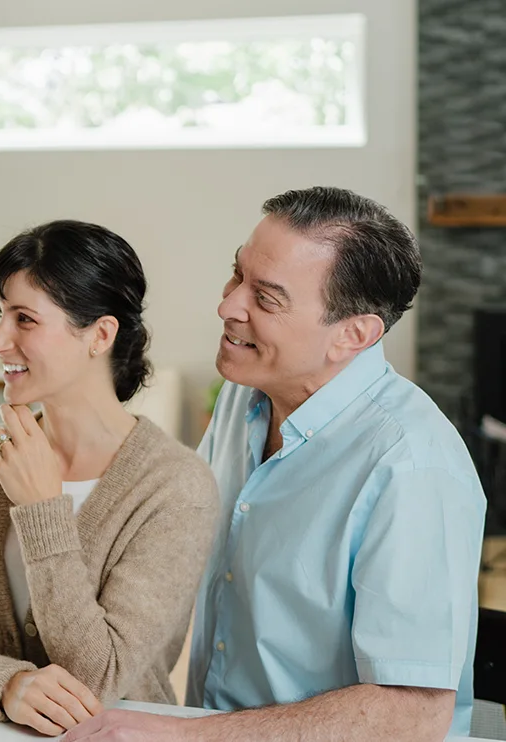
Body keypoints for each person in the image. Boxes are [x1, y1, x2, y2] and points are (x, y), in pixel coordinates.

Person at [64, 187, 486, 742]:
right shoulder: (246, 394)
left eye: (265, 298)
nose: (227, 306)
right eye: (235, 275)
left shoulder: (413, 468)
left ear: (354, 334)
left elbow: (412, 715)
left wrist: (179, 736)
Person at [0, 220, 221, 737]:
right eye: (1, 314)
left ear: (100, 334)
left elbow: (100, 677)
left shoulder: (176, 487)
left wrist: (42, 509)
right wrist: (4, 685)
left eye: (25, 319)